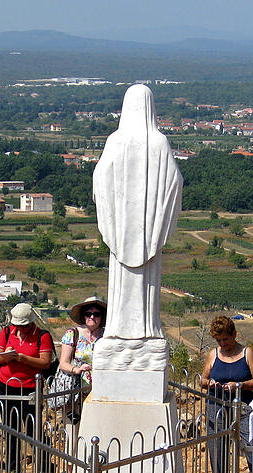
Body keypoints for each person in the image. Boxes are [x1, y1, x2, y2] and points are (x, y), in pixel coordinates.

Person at [92, 84, 182, 373]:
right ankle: (145, 331)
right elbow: (174, 182)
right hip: (147, 235)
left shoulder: (115, 140)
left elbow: (100, 178)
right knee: (146, 293)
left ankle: (118, 331)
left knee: (120, 290)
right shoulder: (159, 142)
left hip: (121, 233)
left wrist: (115, 217)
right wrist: (155, 224)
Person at [200, 315, 253, 473]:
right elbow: (203, 380)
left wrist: (240, 385)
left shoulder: (247, 353)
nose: (223, 344)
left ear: (234, 335)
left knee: (250, 442)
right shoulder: (213, 355)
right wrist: (211, 383)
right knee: (217, 444)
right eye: (219, 340)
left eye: (226, 339)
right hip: (216, 405)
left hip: (243, 404)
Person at [0, 302, 54, 472]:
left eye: (23, 326)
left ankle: (44, 466)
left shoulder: (42, 336)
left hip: (30, 388)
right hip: (6, 385)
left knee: (33, 428)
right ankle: (13, 468)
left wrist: (22, 358)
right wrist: (8, 356)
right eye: (16, 325)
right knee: (10, 428)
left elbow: (45, 362)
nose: (19, 329)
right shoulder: (7, 332)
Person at [58, 296, 106, 451]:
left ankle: (94, 468)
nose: (92, 317)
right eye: (88, 313)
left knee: (98, 430)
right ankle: (72, 470)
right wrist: (75, 369)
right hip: (76, 392)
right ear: (83, 315)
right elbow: (63, 363)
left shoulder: (107, 336)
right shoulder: (72, 334)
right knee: (73, 431)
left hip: (100, 391)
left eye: (96, 314)